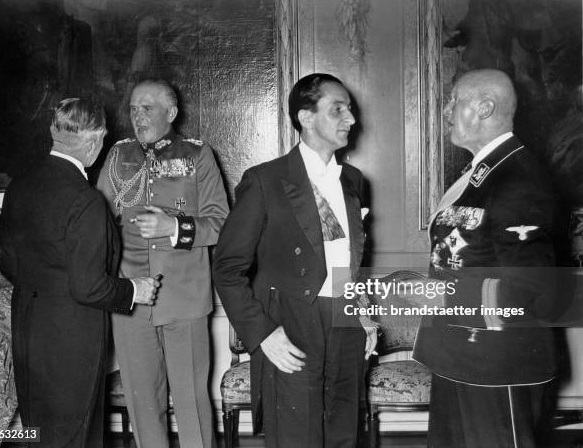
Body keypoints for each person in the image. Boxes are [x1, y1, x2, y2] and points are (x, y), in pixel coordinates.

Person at [212, 73, 377, 448]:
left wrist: (361, 312)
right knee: (297, 438)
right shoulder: (265, 181)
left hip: (344, 323)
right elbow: (226, 268)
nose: (350, 119)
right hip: (290, 326)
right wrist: (263, 334)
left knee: (344, 433)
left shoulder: (352, 179)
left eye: (349, 110)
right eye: (338, 110)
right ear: (305, 117)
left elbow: (342, 255)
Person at [0, 98, 159, 447]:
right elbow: (89, 288)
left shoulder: (18, 186)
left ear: (54, 133)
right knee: (77, 437)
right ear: (95, 142)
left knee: (40, 435)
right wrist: (134, 290)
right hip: (72, 342)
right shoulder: (84, 200)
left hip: (28, 333)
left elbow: (8, 265)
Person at [412, 69, 558, 447]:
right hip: (461, 356)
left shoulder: (517, 177)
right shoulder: (483, 172)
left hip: (496, 363)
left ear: (485, 107)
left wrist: (436, 298)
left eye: (453, 100)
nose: (446, 111)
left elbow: (527, 289)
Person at [97, 79, 228, 448]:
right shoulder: (118, 155)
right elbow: (98, 219)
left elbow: (220, 222)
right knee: (144, 404)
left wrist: (175, 227)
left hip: (184, 297)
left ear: (170, 113)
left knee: (191, 402)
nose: (138, 116)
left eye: (148, 108)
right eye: (134, 109)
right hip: (131, 298)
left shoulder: (198, 154)